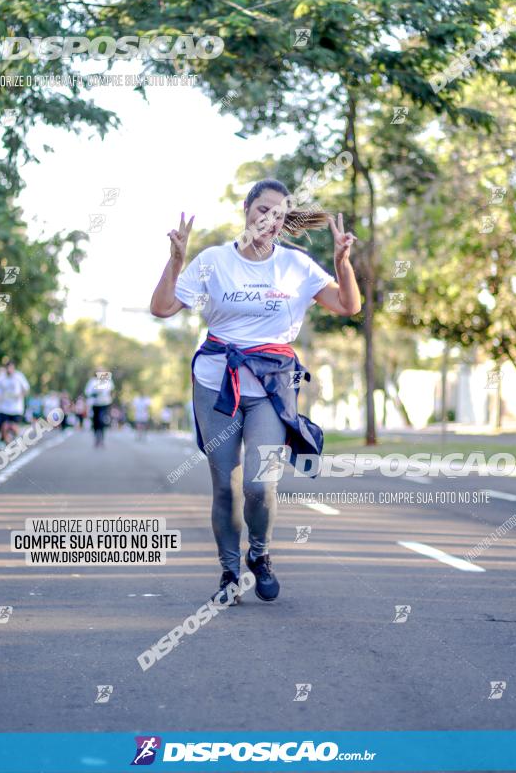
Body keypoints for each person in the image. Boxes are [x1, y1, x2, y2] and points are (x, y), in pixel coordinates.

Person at [150, 180, 361, 605]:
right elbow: (162, 308)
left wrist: (342, 263)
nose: (269, 220)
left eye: (279, 215)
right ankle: (229, 572)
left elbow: (347, 305)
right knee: (225, 486)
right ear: (246, 209)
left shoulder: (296, 266)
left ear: (285, 222)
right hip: (217, 384)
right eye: (262, 210)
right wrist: (175, 262)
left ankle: (259, 555)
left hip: (269, 386)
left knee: (261, 485)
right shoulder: (213, 261)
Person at [0, 360, 30, 443]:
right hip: (4, 407)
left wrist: (20, 395)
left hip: (16, 407)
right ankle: (7, 443)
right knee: (5, 426)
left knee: (14, 426)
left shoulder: (19, 376)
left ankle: (16, 439)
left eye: (11, 368)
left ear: (14, 368)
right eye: (8, 368)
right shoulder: (1, 377)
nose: (9, 370)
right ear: (6, 368)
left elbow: (26, 389)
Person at [85, 369, 115, 447]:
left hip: (105, 403)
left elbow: (111, 391)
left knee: (102, 420)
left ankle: (102, 438)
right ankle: (96, 437)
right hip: (95, 404)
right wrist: (94, 393)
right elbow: (87, 392)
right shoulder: (92, 381)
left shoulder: (108, 380)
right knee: (96, 421)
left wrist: (110, 400)